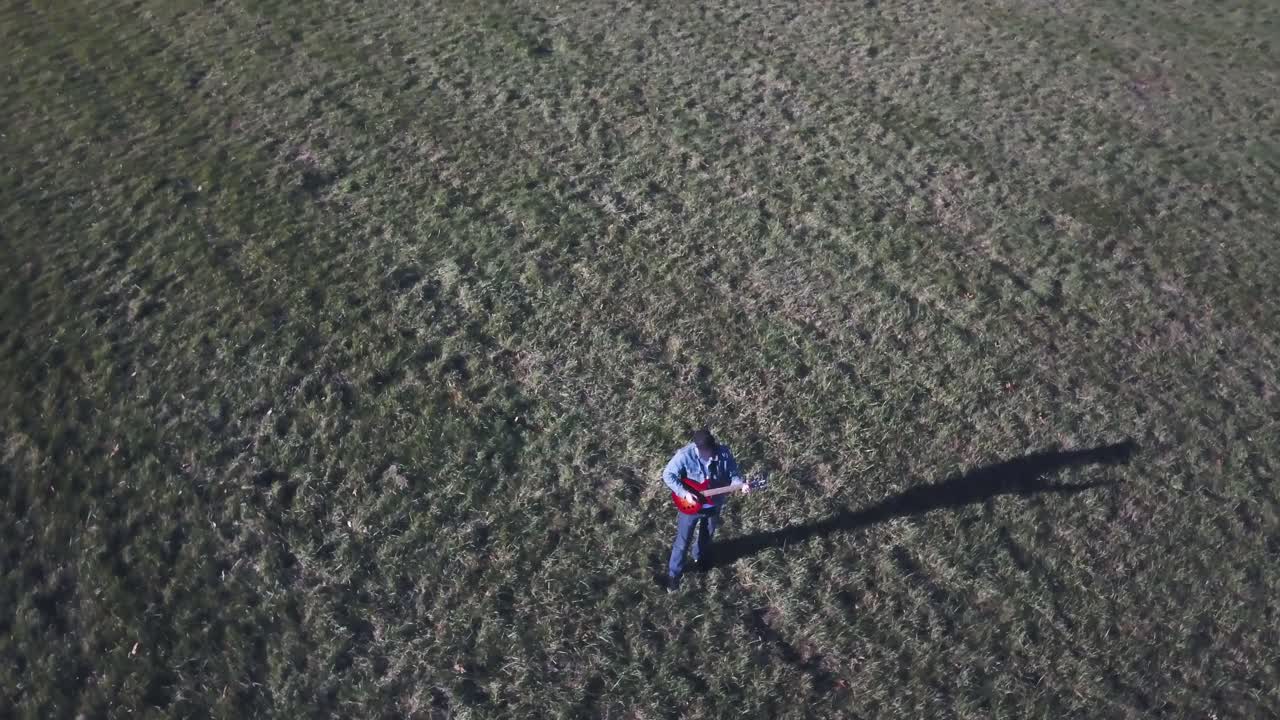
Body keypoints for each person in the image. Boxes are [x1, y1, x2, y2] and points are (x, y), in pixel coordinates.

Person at [661, 428, 750, 592]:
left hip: (713, 505)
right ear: (698, 448)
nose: (710, 454)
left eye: (711, 450)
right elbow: (668, 475)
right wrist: (684, 494)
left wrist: (740, 484)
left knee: (706, 535)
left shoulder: (724, 453)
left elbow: (733, 473)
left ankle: (699, 558)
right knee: (683, 541)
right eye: (706, 452)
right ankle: (674, 575)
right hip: (690, 507)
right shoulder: (684, 456)